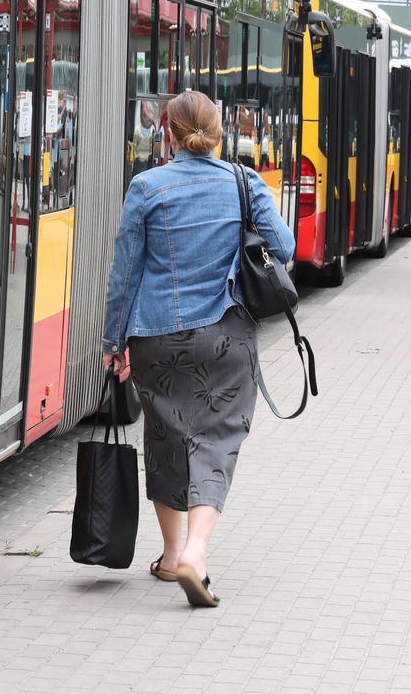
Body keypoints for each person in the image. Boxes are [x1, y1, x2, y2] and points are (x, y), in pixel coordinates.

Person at [100, 90, 294, 608]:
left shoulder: (146, 186)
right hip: (226, 336)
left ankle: (167, 556)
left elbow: (125, 273)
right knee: (218, 439)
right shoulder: (242, 181)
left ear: (166, 132)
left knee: (164, 436)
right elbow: (286, 248)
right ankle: (196, 553)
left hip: (154, 336)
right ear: (219, 132)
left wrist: (113, 341)